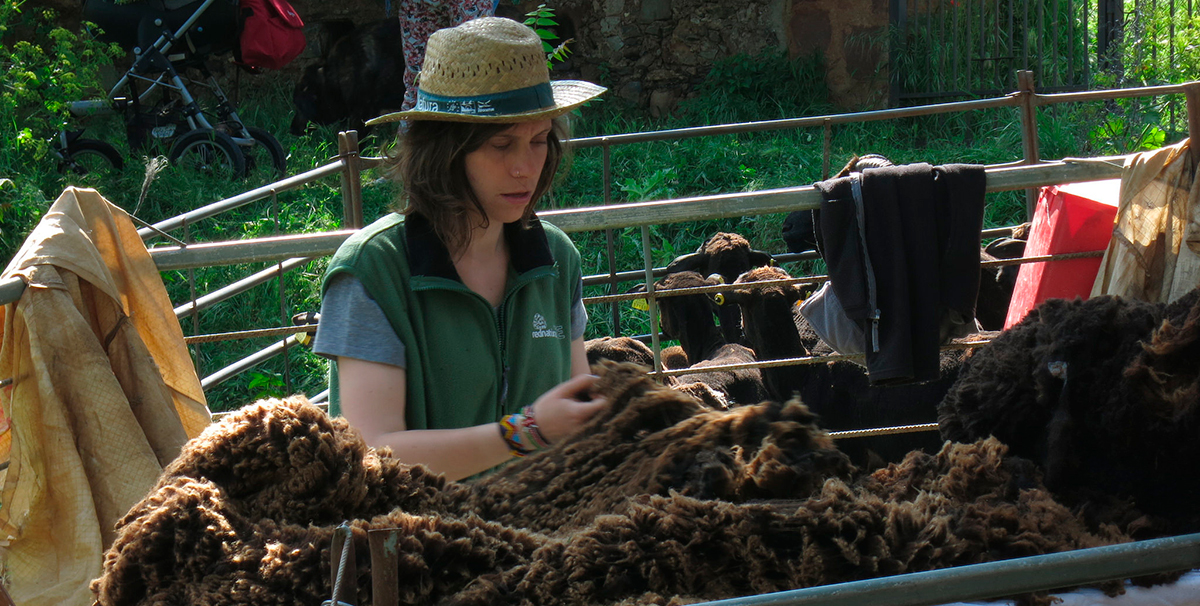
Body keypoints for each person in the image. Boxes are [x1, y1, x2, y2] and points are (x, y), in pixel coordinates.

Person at [312, 17, 608, 481]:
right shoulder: (373, 270)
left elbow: (573, 413)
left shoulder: (556, 258)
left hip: (546, 519)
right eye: (500, 144)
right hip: (416, 523)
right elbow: (371, 453)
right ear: (445, 151)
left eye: (538, 140)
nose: (525, 167)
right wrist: (524, 433)